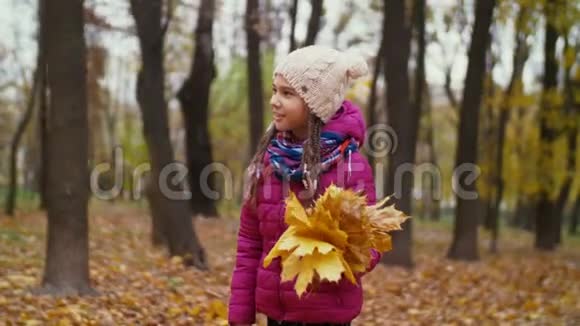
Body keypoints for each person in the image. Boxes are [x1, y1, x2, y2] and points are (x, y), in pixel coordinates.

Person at [228, 45, 380, 326]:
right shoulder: (269, 161)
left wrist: (332, 255)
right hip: (276, 314)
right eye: (275, 90)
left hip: (326, 316)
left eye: (287, 93)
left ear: (316, 104)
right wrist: (240, 314)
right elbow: (250, 243)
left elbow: (370, 246)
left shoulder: (350, 166)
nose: (275, 100)